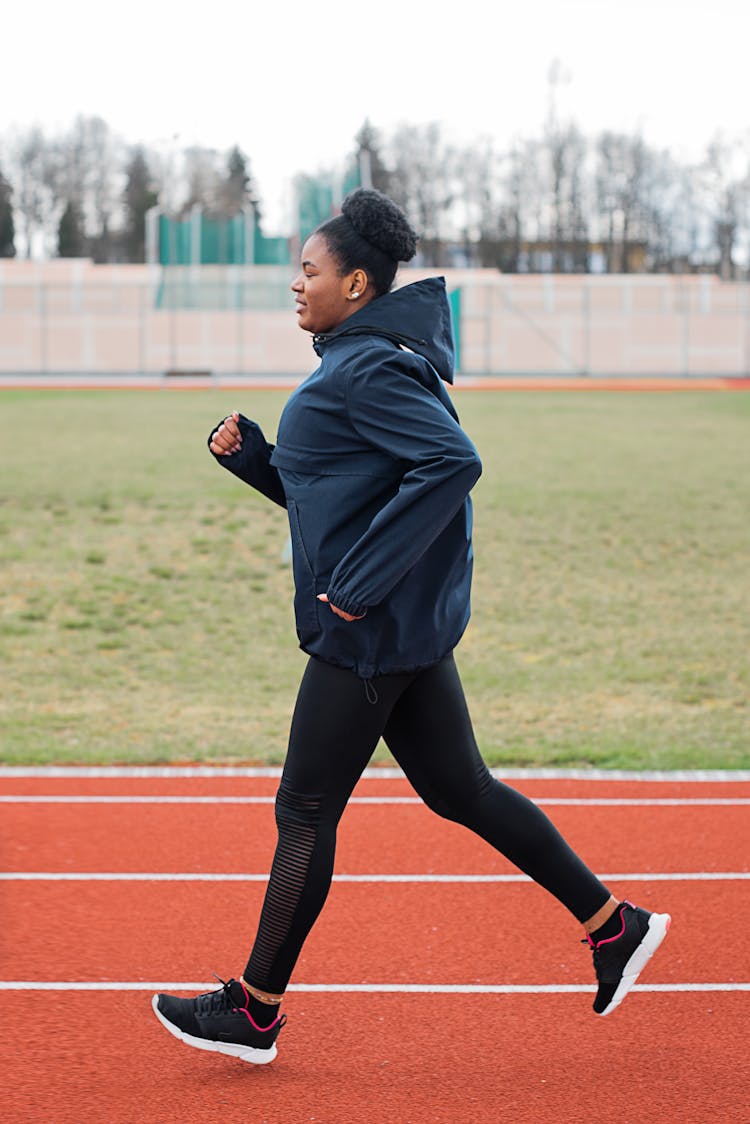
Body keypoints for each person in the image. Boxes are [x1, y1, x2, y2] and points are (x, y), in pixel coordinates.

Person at [152, 188, 670, 1065]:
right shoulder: (359, 356)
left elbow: (451, 463)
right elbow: (347, 497)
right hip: (395, 631)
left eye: (309, 271)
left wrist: (354, 588)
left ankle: (255, 1010)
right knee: (458, 788)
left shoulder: (368, 366)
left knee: (304, 810)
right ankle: (612, 924)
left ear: (355, 282)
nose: (296, 284)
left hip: (367, 635)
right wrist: (261, 465)